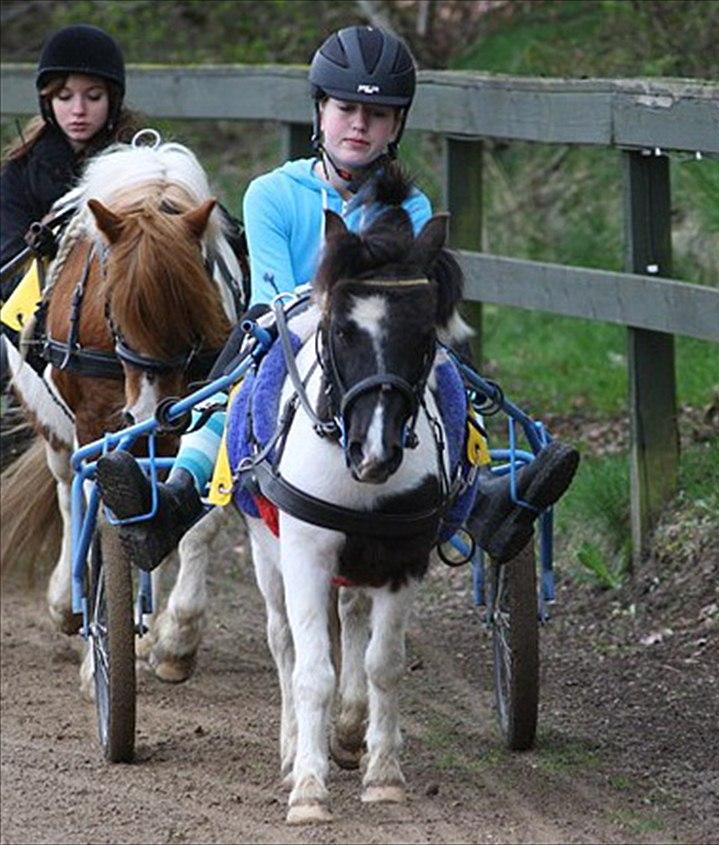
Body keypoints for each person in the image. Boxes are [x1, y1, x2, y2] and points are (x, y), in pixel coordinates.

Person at [95, 25, 579, 572]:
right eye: (346, 108)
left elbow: (408, 298)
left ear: (397, 125)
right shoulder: (270, 194)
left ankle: (482, 492)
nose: (359, 124)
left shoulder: (410, 205)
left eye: (377, 114)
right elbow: (273, 294)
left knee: (449, 367)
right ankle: (181, 494)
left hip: (379, 342)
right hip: (287, 325)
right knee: (231, 387)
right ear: (320, 110)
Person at [0, 23, 140, 296]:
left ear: (112, 100)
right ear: (48, 102)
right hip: (40, 307)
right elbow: (7, 271)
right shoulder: (19, 173)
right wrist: (42, 251)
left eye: (94, 97)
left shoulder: (139, 163)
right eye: (64, 97)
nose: (78, 110)